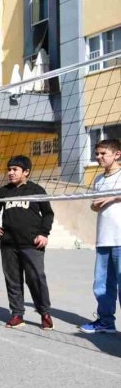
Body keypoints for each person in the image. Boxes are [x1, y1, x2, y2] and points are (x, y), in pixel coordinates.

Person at [0, 156, 54, 330]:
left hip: (31, 244)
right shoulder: (2, 192)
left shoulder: (36, 190)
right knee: (13, 280)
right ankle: (17, 314)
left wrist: (43, 233)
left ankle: (45, 313)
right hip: (9, 244)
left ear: (26, 172)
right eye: (9, 169)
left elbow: (48, 213)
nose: (10, 172)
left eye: (15, 169)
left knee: (36, 279)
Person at [80, 139, 121, 334]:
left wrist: (113, 197)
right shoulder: (98, 180)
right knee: (102, 285)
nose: (98, 157)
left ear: (117, 154)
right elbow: (95, 205)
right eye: (97, 154)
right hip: (104, 239)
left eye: (103, 154)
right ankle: (106, 322)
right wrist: (95, 205)